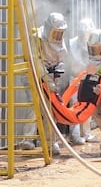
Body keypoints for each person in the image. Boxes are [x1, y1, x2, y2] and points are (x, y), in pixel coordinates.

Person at [27, 12, 70, 154]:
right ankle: (27, 139)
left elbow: (61, 59)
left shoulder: (59, 41)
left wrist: (56, 77)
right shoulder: (37, 38)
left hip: (51, 76)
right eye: (56, 32)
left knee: (51, 110)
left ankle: (51, 142)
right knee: (35, 107)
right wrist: (46, 78)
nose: (58, 35)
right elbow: (35, 61)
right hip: (35, 75)